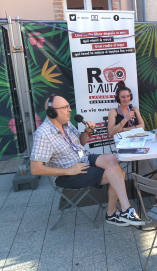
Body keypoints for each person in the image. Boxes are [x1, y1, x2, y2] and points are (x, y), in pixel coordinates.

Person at [30, 94, 144, 227]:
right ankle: (118, 212)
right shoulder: (43, 134)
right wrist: (67, 171)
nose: (70, 109)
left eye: (69, 106)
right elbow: (35, 169)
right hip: (68, 173)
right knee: (119, 174)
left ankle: (121, 211)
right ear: (52, 112)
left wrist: (87, 132)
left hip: (83, 158)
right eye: (65, 107)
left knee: (112, 159)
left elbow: (80, 142)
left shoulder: (66, 124)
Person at [108, 81, 157, 181]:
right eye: (123, 97)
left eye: (128, 96)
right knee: (142, 158)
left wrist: (123, 129)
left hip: (138, 140)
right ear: (118, 98)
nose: (126, 99)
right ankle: (146, 183)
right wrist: (126, 119)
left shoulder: (134, 109)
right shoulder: (113, 112)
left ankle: (155, 180)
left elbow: (142, 126)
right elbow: (111, 132)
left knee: (151, 156)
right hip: (124, 144)